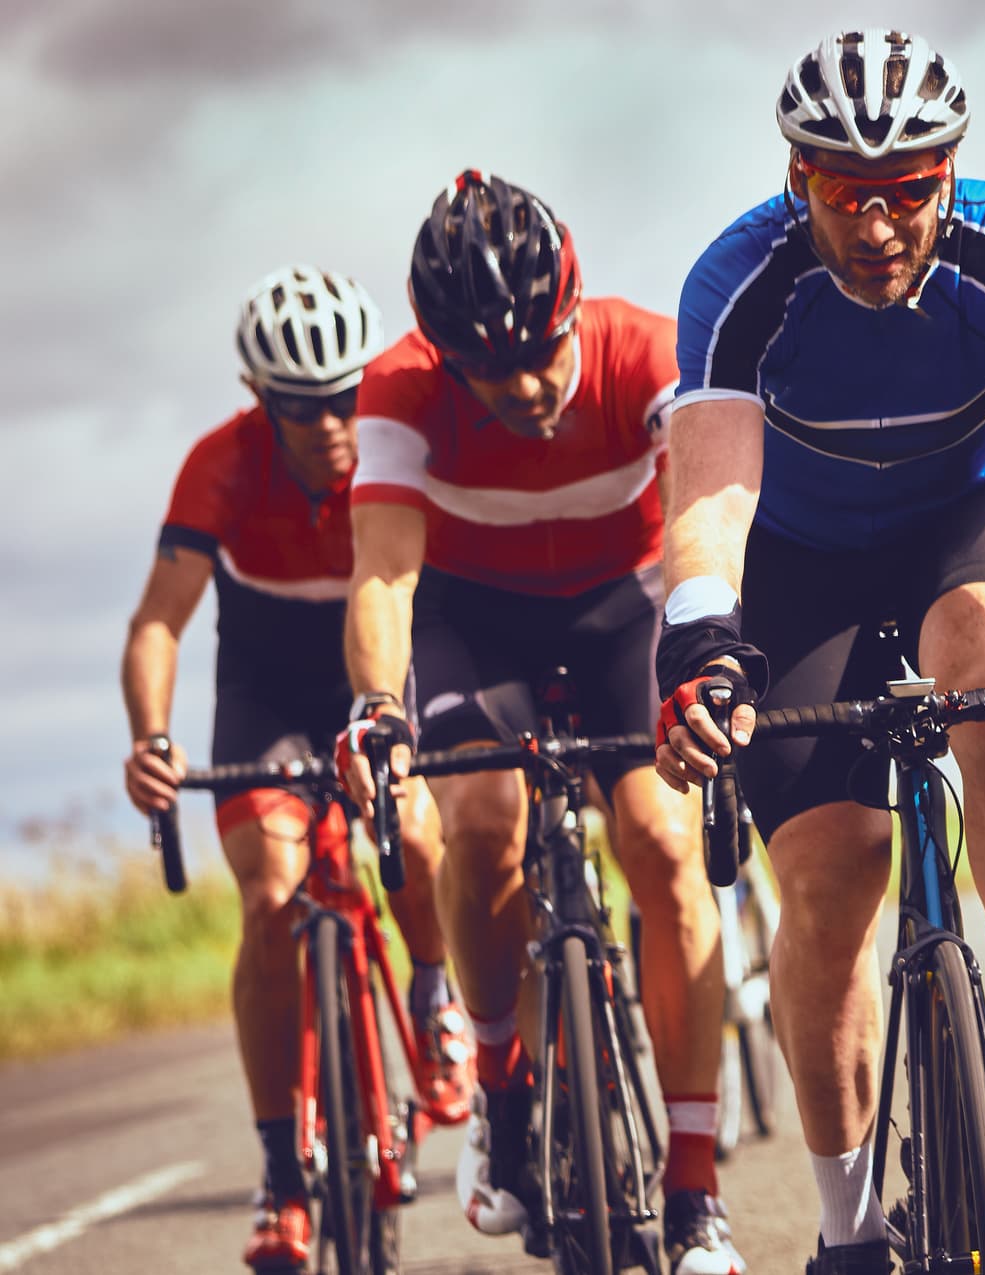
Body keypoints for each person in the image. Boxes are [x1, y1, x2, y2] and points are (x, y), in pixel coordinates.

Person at [652, 30, 985, 1275]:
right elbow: (713, 490)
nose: (880, 223)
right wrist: (704, 643)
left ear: (952, 174)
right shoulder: (740, 276)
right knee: (833, 875)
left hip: (969, 520)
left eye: (910, 189)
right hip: (803, 560)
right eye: (847, 191)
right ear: (798, 178)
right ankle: (843, 1226)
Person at [336, 171, 744, 1275]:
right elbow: (382, 579)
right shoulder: (400, 393)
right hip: (476, 621)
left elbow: (722, 501)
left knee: (661, 842)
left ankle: (696, 1187)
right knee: (474, 818)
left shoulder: (647, 352)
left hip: (624, 606)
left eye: (539, 350)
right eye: (487, 368)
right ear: (441, 355)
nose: (522, 386)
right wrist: (379, 709)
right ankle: (505, 1093)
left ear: (574, 310)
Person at [121, 265, 471, 1271]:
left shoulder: (398, 453)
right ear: (257, 398)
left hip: (385, 672)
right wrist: (152, 737)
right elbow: (158, 621)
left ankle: (435, 994)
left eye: (343, 401)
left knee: (408, 824)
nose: (328, 427)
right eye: (299, 407)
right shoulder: (220, 468)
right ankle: (283, 1182)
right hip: (267, 697)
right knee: (272, 899)